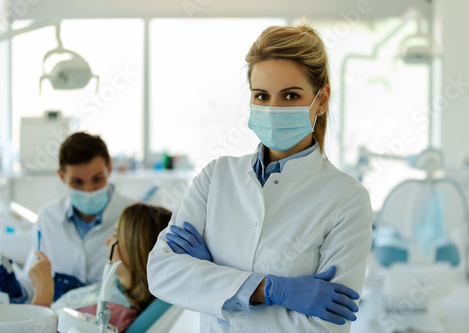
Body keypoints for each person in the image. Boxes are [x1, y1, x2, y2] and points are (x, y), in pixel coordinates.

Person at [147, 24, 373, 332]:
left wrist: (213, 277)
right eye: (262, 96)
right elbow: (162, 273)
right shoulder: (216, 177)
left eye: (291, 95)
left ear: (321, 99)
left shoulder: (347, 199)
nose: (273, 109)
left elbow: (326, 325)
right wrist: (267, 289)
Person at [0, 132, 135, 303]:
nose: (89, 190)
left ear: (109, 169)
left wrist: (84, 296)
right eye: (77, 182)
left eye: (97, 179)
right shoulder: (47, 218)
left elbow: (142, 287)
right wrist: (17, 290)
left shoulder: (132, 218)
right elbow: (33, 282)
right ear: (61, 176)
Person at [27, 203, 172, 333]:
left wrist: (42, 294)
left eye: (115, 234)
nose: (106, 240)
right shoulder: (114, 289)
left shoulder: (116, 313)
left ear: (135, 248)